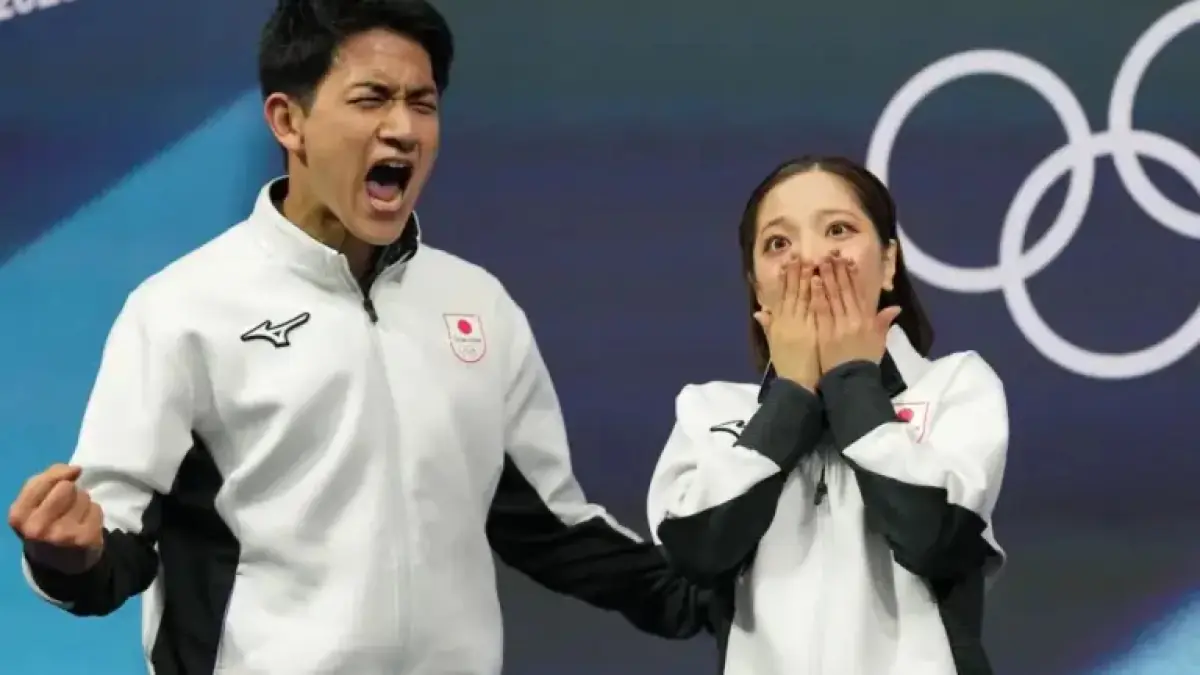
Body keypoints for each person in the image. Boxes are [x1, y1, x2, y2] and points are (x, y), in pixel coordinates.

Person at [6, 1, 709, 673]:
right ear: (289, 121)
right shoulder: (181, 310)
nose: (403, 129)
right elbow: (115, 541)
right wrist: (68, 556)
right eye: (372, 99)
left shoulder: (478, 304)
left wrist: (717, 596)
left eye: (422, 104)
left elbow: (550, 526)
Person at [646, 156, 1008, 675]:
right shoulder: (708, 410)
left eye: (838, 230)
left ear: (888, 262)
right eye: (779, 243)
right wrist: (791, 396)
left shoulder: (957, 385)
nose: (812, 259)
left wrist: (852, 382)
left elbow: (934, 538)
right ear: (757, 285)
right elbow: (697, 553)